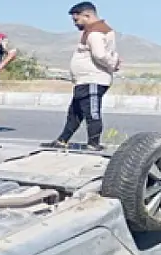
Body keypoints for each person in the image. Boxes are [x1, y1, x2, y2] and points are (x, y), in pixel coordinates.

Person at [43, 1, 120, 150]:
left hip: (93, 79)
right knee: (75, 112)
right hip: (84, 80)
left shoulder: (96, 32)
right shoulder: (93, 31)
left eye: (76, 20)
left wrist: (112, 64)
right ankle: (62, 140)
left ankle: (93, 144)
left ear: (87, 15)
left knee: (92, 112)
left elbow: (100, 55)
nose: (75, 23)